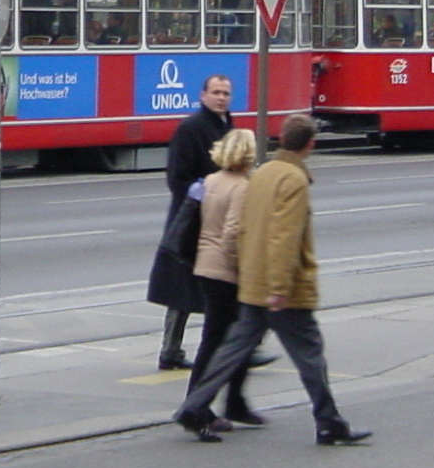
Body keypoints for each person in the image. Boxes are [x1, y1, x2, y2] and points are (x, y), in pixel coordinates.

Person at [173, 113, 368, 446]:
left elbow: (249, 230)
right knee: (310, 354)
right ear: (310, 144)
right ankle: (328, 422)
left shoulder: (262, 174)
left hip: (252, 282)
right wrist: (279, 287)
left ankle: (192, 407)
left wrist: (251, 277)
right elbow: (285, 237)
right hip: (282, 290)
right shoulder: (292, 179)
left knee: (232, 350)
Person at [184, 127, 265, 433]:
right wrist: (244, 269)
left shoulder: (211, 180)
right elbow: (232, 233)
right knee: (229, 339)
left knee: (221, 338)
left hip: (204, 266)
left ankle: (226, 402)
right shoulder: (243, 186)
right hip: (226, 272)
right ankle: (198, 407)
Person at [157, 73, 233, 370]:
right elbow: (176, 179)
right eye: (216, 92)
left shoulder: (227, 125)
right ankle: (171, 350)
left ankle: (231, 345)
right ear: (203, 95)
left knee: (205, 286)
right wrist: (208, 191)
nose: (221, 97)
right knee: (183, 288)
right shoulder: (190, 128)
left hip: (216, 218)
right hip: (191, 219)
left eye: (226, 93)